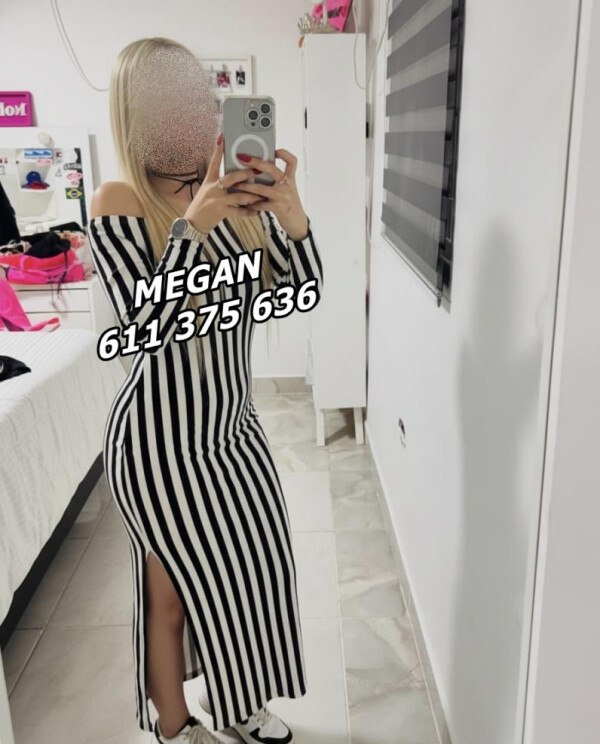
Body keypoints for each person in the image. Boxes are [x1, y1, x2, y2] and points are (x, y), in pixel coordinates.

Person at [87, 37, 323, 744]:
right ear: (138, 114)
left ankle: (238, 702)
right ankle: (174, 726)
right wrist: (193, 227)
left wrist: (292, 217)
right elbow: (144, 327)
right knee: (171, 596)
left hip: (234, 432)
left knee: (254, 576)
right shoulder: (118, 201)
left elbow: (300, 290)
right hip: (159, 447)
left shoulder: (236, 196)